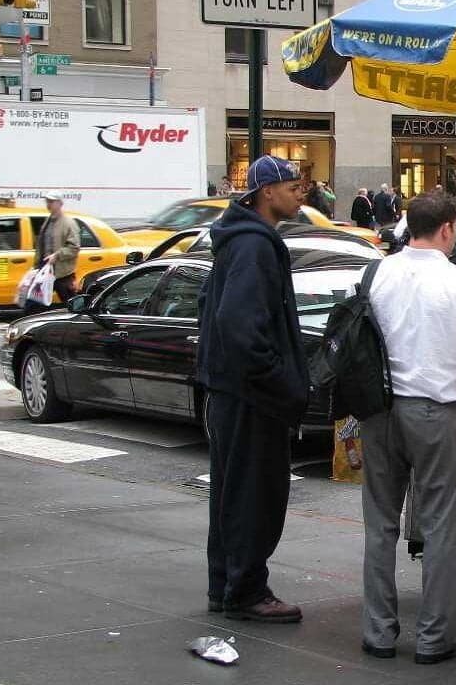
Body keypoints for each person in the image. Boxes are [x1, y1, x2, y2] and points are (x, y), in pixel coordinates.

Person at [360, 192, 456, 664]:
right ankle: (434, 638)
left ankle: (378, 632)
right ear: (446, 229)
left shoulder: (377, 272)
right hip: (434, 411)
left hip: (379, 408)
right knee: (440, 525)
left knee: (379, 523)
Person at [197, 155, 310, 624]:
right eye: (293, 185)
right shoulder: (253, 246)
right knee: (253, 496)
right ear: (267, 192)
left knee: (232, 493)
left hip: (235, 392)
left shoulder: (243, 241)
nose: (302, 192)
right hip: (250, 396)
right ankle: (245, 591)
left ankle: (227, 585)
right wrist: (277, 380)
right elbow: (239, 324)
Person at [32, 191, 80, 308]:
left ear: (60, 203)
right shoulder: (48, 222)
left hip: (62, 273)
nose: (48, 204)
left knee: (72, 306)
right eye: (47, 201)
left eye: (51, 201)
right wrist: (36, 266)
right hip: (45, 271)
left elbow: (74, 247)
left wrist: (57, 256)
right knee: (34, 304)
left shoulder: (69, 223)